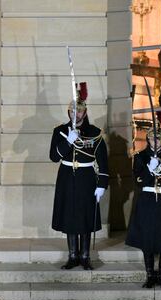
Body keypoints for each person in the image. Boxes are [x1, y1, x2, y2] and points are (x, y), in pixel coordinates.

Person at [49, 82, 109, 270]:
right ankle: (72, 255)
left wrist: (102, 185)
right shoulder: (60, 131)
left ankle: (85, 256)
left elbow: (104, 162)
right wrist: (68, 141)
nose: (77, 114)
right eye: (73, 111)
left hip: (86, 178)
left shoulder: (95, 133)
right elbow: (53, 157)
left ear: (85, 112)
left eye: (80, 111)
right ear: (69, 112)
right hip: (67, 177)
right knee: (69, 216)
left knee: (84, 216)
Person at [125, 127, 161, 288]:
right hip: (147, 201)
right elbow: (137, 181)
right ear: (148, 139)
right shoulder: (140, 157)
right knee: (147, 239)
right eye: (151, 139)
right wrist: (150, 171)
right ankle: (150, 274)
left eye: (158, 139)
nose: (155, 142)